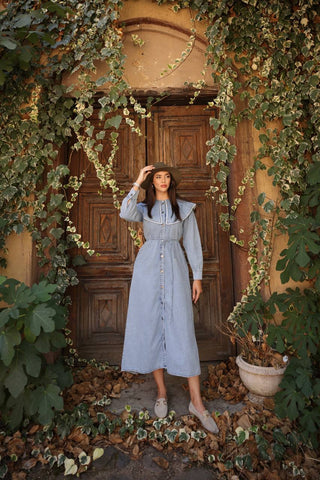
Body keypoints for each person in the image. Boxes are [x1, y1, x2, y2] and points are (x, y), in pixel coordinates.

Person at [119, 163, 219, 434]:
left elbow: (193, 243)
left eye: (166, 177)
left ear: (172, 182)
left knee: (182, 330)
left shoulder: (183, 209)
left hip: (175, 270)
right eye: (157, 177)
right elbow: (124, 211)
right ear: (152, 183)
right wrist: (138, 180)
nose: (162, 181)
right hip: (147, 273)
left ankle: (196, 403)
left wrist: (196, 276)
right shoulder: (143, 209)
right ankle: (161, 391)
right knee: (152, 327)